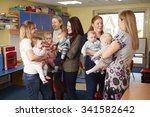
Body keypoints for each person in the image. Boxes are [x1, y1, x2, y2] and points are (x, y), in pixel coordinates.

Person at [102, 10, 139, 100]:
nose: (118, 23)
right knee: (123, 98)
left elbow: (105, 55)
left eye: (119, 21)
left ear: (124, 20)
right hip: (125, 74)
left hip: (114, 76)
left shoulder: (122, 36)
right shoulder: (133, 37)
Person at [19, 21, 53, 100]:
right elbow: (32, 57)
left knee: (48, 95)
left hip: (37, 72)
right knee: (34, 99)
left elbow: (38, 50)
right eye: (34, 28)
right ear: (28, 30)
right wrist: (44, 57)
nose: (36, 29)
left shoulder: (31, 41)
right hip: (31, 75)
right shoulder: (26, 41)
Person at [80, 15, 105, 100]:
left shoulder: (104, 36)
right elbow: (84, 50)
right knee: (91, 91)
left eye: (101, 23)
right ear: (92, 25)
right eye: (97, 23)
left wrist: (94, 52)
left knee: (103, 91)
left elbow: (109, 49)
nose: (100, 25)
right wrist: (99, 53)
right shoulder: (87, 36)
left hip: (103, 67)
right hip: (91, 66)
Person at [62, 16, 84, 99]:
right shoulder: (69, 36)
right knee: (67, 91)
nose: (68, 28)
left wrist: (62, 48)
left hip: (71, 68)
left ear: (75, 26)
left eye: (70, 26)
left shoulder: (78, 37)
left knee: (71, 92)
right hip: (65, 67)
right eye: (67, 26)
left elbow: (71, 54)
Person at [51, 15, 64, 99]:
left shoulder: (63, 34)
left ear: (60, 23)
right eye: (52, 22)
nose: (53, 24)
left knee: (57, 81)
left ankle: (59, 100)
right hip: (52, 59)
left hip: (59, 61)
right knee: (52, 82)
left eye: (55, 22)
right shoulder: (52, 33)